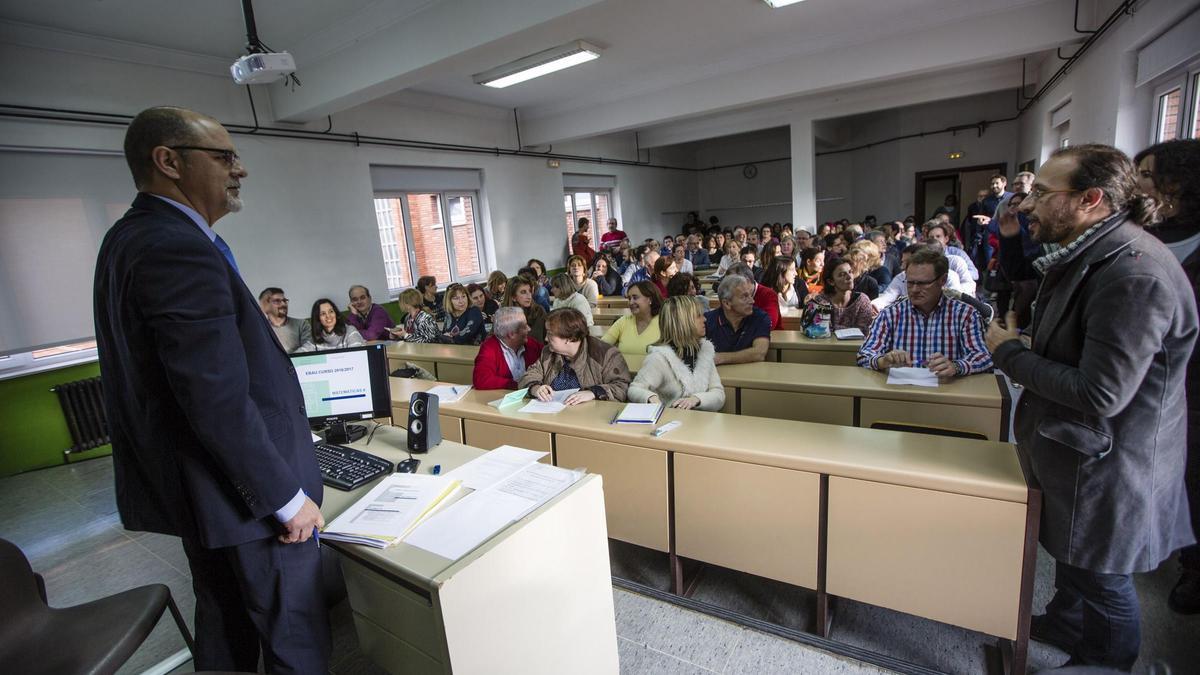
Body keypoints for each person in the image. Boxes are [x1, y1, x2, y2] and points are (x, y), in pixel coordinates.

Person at [93, 106, 329, 672]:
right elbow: (214, 397)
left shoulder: (129, 237)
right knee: (292, 635)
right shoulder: (176, 246)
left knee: (226, 628)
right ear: (168, 161)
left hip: (204, 492)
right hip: (246, 501)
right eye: (223, 156)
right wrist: (285, 496)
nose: (239, 169)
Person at [986, 145, 1197, 669]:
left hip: (1110, 461)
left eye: (1041, 193)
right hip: (1078, 451)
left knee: (1104, 579)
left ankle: (1106, 663)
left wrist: (1009, 353)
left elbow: (1102, 393)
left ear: (1090, 200)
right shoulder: (1094, 251)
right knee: (1076, 561)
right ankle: (1066, 621)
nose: (1027, 204)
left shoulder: (1134, 274)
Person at [1134, 139, 1200, 615]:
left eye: (1149, 174)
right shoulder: (1138, 234)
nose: (1139, 183)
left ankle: (1195, 567)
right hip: (1139, 378)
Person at [857, 247, 991, 376]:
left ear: (942, 280)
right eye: (910, 283)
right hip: (902, 392)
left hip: (947, 391)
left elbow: (983, 357)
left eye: (922, 283)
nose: (914, 289)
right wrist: (883, 361)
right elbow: (864, 355)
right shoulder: (890, 314)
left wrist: (957, 366)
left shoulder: (965, 315)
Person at [629, 296, 725, 411]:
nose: (704, 319)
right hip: (670, 422)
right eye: (698, 316)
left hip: (701, 423)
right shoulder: (659, 357)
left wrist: (696, 399)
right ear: (683, 322)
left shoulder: (705, 352)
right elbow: (635, 389)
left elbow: (718, 393)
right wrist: (651, 398)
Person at [519, 308, 632, 404]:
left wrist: (593, 392)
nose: (545, 339)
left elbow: (622, 387)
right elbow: (530, 375)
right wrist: (535, 388)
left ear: (569, 338)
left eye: (550, 334)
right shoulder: (548, 352)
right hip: (553, 414)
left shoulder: (605, 354)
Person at [704, 274, 771, 365]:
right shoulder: (707, 321)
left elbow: (759, 353)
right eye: (744, 297)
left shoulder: (760, 317)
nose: (752, 301)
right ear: (727, 303)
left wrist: (721, 358)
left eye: (750, 295)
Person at [472, 306, 542, 390]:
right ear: (511, 334)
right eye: (524, 326)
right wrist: (517, 384)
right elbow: (481, 380)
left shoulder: (531, 344)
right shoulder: (490, 348)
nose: (529, 329)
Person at [801, 258, 878, 333]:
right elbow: (819, 329)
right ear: (831, 281)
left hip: (854, 346)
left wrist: (834, 328)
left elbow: (864, 331)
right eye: (842, 275)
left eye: (850, 272)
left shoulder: (862, 301)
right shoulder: (819, 301)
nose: (849, 277)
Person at [601, 280, 662, 356]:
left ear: (650, 299)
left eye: (635, 298)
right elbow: (602, 346)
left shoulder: (663, 323)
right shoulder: (623, 321)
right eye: (629, 298)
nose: (631, 302)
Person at [297, 298, 365, 351]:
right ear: (317, 319)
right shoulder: (314, 340)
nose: (328, 316)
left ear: (336, 314)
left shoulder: (350, 331)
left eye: (331, 311)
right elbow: (297, 356)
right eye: (323, 314)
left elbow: (356, 359)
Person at [258, 287, 311, 353]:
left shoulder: (302, 324)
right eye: (277, 301)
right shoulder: (259, 329)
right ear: (266, 305)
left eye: (284, 300)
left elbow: (309, 347)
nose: (283, 304)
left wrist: (289, 359)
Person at [503, 275, 547, 342]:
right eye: (523, 292)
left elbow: (537, 338)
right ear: (513, 297)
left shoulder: (538, 311)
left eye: (530, 291)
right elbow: (492, 338)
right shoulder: (503, 314)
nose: (529, 296)